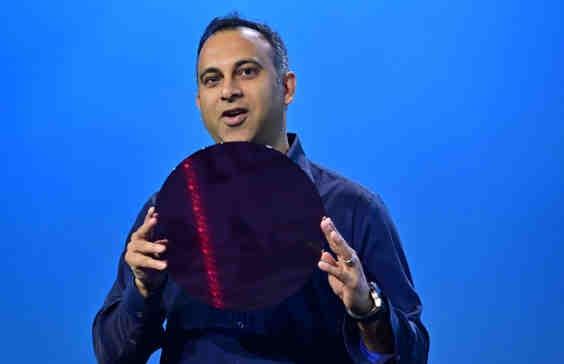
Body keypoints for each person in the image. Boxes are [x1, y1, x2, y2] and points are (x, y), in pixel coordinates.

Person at [92, 13, 429, 364]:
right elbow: (113, 356)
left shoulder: (354, 210)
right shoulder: (165, 212)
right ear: (200, 103)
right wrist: (142, 291)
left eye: (247, 71)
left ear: (287, 87)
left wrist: (368, 311)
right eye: (212, 79)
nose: (228, 91)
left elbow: (412, 355)